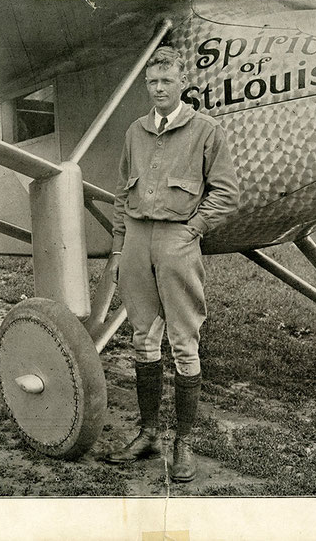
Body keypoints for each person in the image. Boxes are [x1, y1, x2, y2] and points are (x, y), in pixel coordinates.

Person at [105, 46, 240, 482]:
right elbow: (122, 197)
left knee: (184, 341)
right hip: (138, 243)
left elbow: (226, 194)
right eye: (152, 82)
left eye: (166, 81)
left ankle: (184, 442)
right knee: (143, 336)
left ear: (182, 83)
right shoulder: (135, 132)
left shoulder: (205, 131)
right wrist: (120, 247)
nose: (159, 89)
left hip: (178, 240)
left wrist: (193, 229)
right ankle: (148, 434)